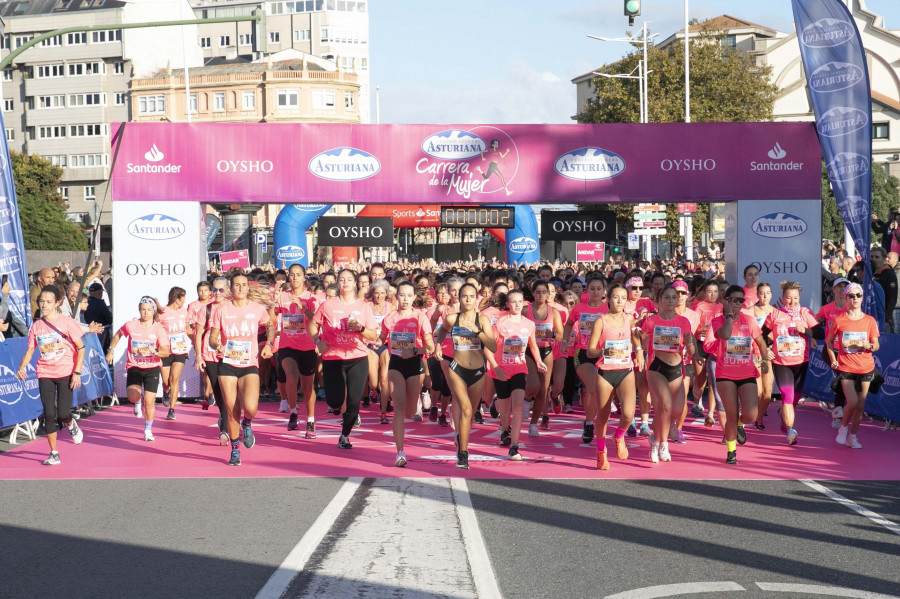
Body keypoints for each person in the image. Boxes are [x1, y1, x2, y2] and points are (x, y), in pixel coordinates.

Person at [16, 285, 86, 465]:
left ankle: (71, 424)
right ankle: (54, 453)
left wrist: (77, 372)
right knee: (49, 414)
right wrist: (22, 367)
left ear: (57, 303)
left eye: (48, 302)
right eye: (41, 302)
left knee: (63, 413)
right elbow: (30, 351)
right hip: (45, 373)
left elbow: (81, 348)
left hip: (66, 373)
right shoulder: (37, 326)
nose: (44, 305)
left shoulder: (67, 322)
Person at [209, 274, 274, 466]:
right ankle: (235, 450)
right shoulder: (221, 310)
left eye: (244, 285)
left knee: (251, 408)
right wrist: (216, 346)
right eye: (237, 285)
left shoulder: (257, 309)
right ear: (231, 288)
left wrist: (269, 344)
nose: (240, 288)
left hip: (249, 364)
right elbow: (213, 338)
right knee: (231, 410)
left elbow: (269, 324)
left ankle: (248, 424)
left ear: (247, 288)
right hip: (227, 364)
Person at [309, 269, 377, 450]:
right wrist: (317, 341)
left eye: (349, 279)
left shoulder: (363, 306)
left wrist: (361, 328)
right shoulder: (328, 305)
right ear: (337, 283)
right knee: (335, 401)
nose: (345, 282)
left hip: (358, 358)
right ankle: (335, 405)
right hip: (333, 358)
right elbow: (313, 323)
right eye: (342, 279)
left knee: (354, 403)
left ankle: (345, 435)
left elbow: (373, 334)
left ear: (355, 283)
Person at [704, 285, 768, 465]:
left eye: (742, 300)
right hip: (725, 374)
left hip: (747, 372)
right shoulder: (718, 321)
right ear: (727, 300)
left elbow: (761, 342)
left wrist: (764, 362)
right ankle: (731, 452)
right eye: (735, 300)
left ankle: (741, 425)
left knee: (751, 415)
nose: (739, 303)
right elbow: (724, 336)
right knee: (730, 415)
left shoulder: (749, 320)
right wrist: (730, 317)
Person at [484, 289, 546, 461]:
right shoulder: (499, 324)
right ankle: (505, 429)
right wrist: (495, 367)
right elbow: (488, 348)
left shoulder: (529, 324)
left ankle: (514, 446)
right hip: (501, 370)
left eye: (520, 301)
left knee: (517, 406)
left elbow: (532, 345)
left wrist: (539, 361)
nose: (517, 305)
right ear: (507, 304)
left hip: (519, 368)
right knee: (505, 409)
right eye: (514, 302)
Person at [586, 283, 642, 470]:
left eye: (623, 298)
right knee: (602, 416)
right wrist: (604, 350)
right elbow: (590, 351)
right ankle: (601, 452)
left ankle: (618, 436)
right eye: (616, 297)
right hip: (605, 372)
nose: (619, 301)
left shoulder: (629, 319)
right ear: (608, 299)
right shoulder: (600, 321)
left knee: (628, 414)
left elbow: (636, 337)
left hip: (625, 369)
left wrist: (640, 350)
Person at [380, 281, 435, 467]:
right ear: (396, 297)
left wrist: (414, 351)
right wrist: (365, 336)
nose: (405, 299)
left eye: (408, 295)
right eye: (401, 295)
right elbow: (379, 339)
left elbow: (430, 346)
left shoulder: (420, 317)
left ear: (414, 297)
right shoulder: (390, 318)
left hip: (415, 364)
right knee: (399, 408)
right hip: (395, 364)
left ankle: (418, 400)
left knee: (410, 412)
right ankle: (400, 452)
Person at [106, 296, 171, 442]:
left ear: (153, 311)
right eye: (143, 309)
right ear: (139, 310)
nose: (146, 313)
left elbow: (165, 351)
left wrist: (154, 351)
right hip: (135, 366)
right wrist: (111, 350)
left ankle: (148, 429)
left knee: (150, 401)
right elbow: (118, 335)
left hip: (152, 367)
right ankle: (137, 401)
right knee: (133, 396)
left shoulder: (158, 328)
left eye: (149, 310)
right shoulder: (131, 325)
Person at [641, 285, 694, 463]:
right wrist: (644, 342)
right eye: (667, 298)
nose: (671, 301)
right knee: (664, 406)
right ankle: (660, 444)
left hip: (677, 369)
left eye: (674, 297)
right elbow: (640, 340)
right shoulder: (651, 321)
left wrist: (689, 343)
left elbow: (691, 350)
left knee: (676, 410)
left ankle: (656, 437)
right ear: (660, 300)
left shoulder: (684, 322)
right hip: (657, 367)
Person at [762, 281, 818, 445]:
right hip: (781, 363)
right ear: (782, 298)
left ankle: (785, 417)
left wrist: (806, 331)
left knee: (795, 398)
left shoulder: (805, 313)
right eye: (788, 298)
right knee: (787, 396)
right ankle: (791, 429)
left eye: (795, 298)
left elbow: (820, 332)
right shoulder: (775, 315)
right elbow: (761, 335)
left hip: (801, 362)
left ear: (799, 297)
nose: (792, 301)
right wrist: (766, 349)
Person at [826, 283, 880, 450]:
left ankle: (853, 436)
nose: (855, 298)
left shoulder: (869, 321)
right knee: (853, 401)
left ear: (862, 298)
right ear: (846, 298)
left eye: (858, 295)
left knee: (861, 406)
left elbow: (876, 344)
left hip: (865, 367)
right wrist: (833, 359)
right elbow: (829, 343)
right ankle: (843, 428)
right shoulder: (839, 320)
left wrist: (869, 346)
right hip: (846, 367)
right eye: (852, 295)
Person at [272, 264, 320, 438]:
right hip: (287, 344)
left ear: (304, 277)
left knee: (308, 387)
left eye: (298, 275)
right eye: (292, 275)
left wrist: (302, 307)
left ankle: (311, 420)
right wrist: (273, 303)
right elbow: (272, 318)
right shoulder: (283, 296)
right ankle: (293, 413)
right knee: (291, 377)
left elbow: (315, 320)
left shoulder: (311, 297)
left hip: (307, 346)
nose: (295, 278)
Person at [562, 275, 607, 444]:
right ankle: (589, 424)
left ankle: (589, 421)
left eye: (599, 289)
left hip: (602, 354)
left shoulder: (608, 309)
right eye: (592, 289)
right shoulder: (579, 308)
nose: (595, 292)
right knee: (593, 386)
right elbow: (568, 324)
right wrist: (565, 341)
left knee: (593, 391)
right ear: (587, 290)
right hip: (582, 353)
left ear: (604, 291)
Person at [524, 281, 563, 435]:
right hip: (528, 351)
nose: (541, 295)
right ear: (532, 293)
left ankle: (533, 424)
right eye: (538, 292)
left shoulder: (553, 312)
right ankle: (526, 400)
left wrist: (552, 334)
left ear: (548, 294)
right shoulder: (525, 310)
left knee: (543, 390)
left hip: (546, 351)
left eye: (544, 292)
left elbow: (560, 334)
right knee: (534, 385)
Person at [194, 277, 229, 445]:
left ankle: (227, 420)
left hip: (231, 355)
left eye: (221, 290)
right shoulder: (205, 309)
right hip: (210, 355)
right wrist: (198, 356)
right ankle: (225, 425)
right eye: (214, 289)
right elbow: (198, 334)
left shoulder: (232, 308)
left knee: (230, 392)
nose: (217, 293)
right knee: (218, 390)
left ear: (228, 291)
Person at [158, 287, 192, 420]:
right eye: (182, 298)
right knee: (166, 382)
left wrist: (196, 342)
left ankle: (172, 409)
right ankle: (165, 392)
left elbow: (188, 330)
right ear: (176, 298)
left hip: (180, 350)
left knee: (174, 379)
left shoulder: (184, 312)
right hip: (166, 350)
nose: (184, 301)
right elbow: (156, 329)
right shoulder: (163, 312)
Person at [750, 283, 776, 429]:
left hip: (769, 353)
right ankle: (750, 411)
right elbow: (747, 333)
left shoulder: (776, 312)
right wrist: (756, 349)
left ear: (771, 294)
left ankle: (759, 418)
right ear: (757, 295)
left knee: (767, 391)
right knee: (758, 391)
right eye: (762, 293)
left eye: (767, 293)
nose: (765, 296)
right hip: (754, 353)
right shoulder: (749, 311)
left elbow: (780, 334)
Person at [871, 247, 897, 333]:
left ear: (884, 258)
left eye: (877, 257)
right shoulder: (868, 272)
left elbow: (892, 297)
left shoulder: (889, 274)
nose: (874, 259)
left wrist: (886, 317)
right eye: (872, 257)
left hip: (883, 316)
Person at [84, 282, 113, 351]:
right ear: (100, 293)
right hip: (100, 334)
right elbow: (109, 319)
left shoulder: (85, 302)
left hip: (87, 333)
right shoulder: (100, 303)